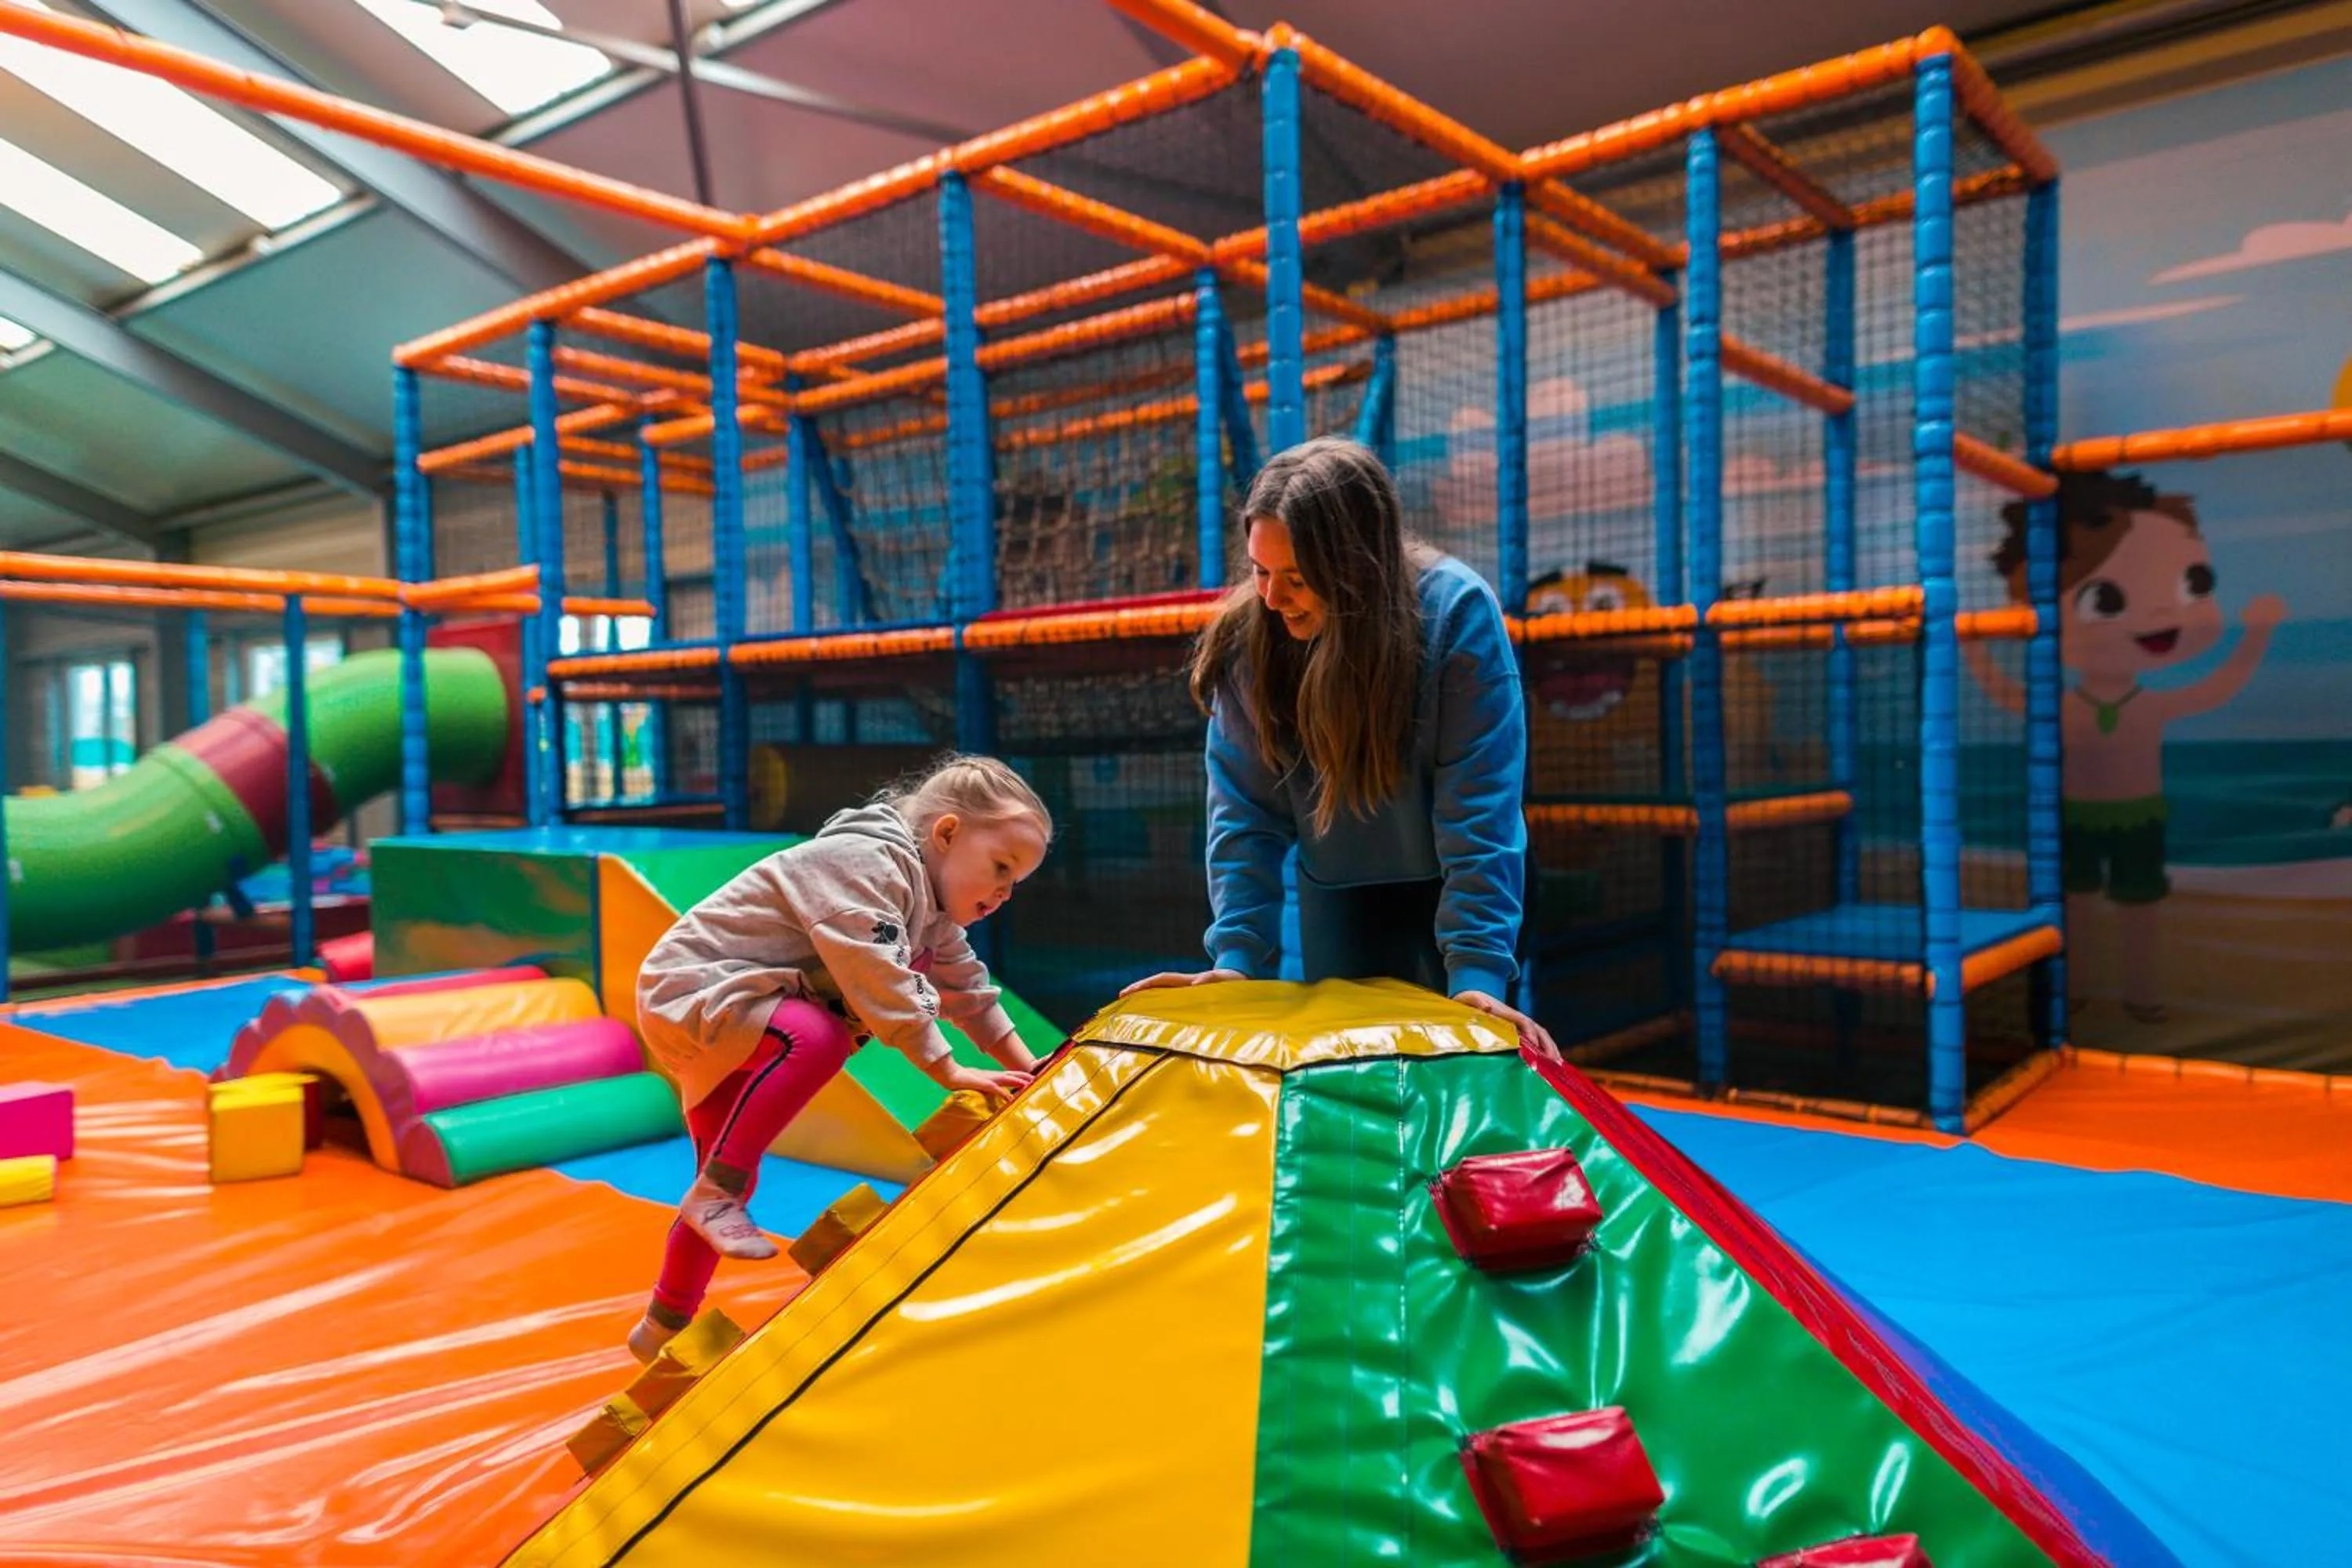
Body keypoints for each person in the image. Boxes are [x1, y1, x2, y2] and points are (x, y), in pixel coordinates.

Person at [1126, 437, 1558, 1058]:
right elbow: (1243, 814)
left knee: (1466, 1059)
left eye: (1297, 579)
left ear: (1357, 568)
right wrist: (1238, 957)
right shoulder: (1253, 640)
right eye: (1260, 570)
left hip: (1459, 878)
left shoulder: (1456, 614)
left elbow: (1480, 812)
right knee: (1354, 1070)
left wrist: (1478, 974)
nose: (1272, 598)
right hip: (1342, 889)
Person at [626, 755, 1051, 1360]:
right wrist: (946, 1069)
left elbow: (969, 991)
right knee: (818, 1038)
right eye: (1000, 868)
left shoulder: (930, 917)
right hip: (696, 990)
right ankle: (715, 1195)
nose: (1005, 892)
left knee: (721, 1184)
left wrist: (1026, 1063)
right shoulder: (864, 866)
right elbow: (878, 981)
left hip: (739, 1015)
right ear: (948, 833)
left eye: (1016, 883)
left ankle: (661, 1327)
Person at [1965, 470, 2285, 1024]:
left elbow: (2216, 689)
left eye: (2193, 584)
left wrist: (2255, 636)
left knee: (2140, 912)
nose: (2161, 615)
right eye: (2107, 598)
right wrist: (1973, 646)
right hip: (2080, 817)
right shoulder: (2066, 705)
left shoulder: (2145, 705)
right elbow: (2007, 694)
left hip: (2137, 818)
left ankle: (2139, 994)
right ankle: (2078, 989)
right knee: (2076, 909)